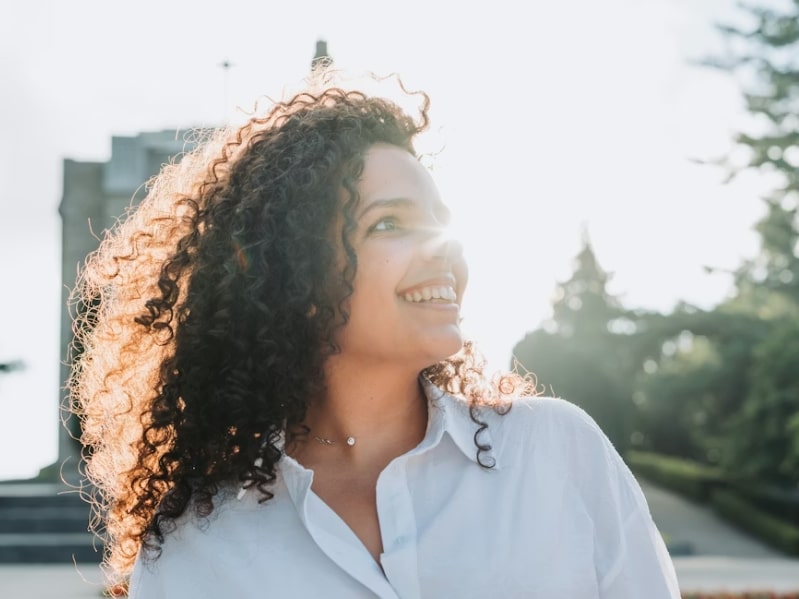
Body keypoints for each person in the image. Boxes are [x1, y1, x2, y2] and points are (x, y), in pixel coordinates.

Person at [69, 71, 680, 598]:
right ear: (290, 272)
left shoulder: (556, 452)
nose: (444, 251)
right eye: (389, 223)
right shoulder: (191, 548)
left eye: (442, 223)